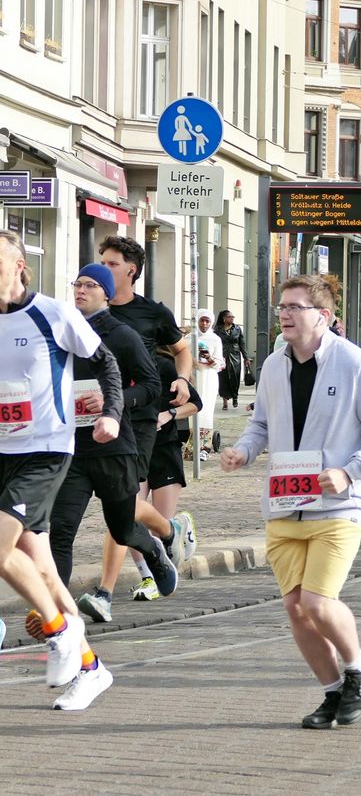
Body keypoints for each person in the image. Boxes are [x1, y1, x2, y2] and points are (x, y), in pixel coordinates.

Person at [221, 274, 361, 729]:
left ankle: (359, 669)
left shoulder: (354, 363)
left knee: (318, 602)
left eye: (294, 307)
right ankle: (332, 690)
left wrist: (350, 471)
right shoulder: (272, 366)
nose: (284, 314)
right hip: (285, 503)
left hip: (337, 505)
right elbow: (261, 425)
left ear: (323, 316)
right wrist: (243, 451)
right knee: (295, 608)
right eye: (281, 307)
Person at [0, 234, 125, 707]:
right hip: (1, 452)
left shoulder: (52, 313)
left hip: (45, 449)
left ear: (19, 266)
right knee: (43, 570)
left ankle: (59, 631)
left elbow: (106, 363)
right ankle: (91, 670)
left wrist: (111, 413)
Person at [49, 265, 177, 617]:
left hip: (114, 448)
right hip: (73, 448)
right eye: (77, 284)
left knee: (122, 531)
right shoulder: (62, 333)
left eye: (90, 285)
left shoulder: (122, 335)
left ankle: (153, 550)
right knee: (61, 531)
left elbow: (151, 386)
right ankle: (57, 615)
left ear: (106, 294)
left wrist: (112, 400)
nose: (81, 290)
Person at [97, 235, 193, 602]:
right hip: (95, 416)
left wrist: (182, 379)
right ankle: (168, 531)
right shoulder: (88, 311)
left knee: (121, 499)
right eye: (101, 263)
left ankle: (105, 591)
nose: (104, 269)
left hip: (138, 417)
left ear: (131, 271)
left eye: (111, 264)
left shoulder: (153, 312)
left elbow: (182, 350)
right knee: (117, 503)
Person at [191, 309, 225, 460]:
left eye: (207, 321)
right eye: (202, 320)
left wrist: (208, 357)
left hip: (209, 378)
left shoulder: (215, 339)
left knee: (206, 411)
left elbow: (219, 364)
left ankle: (204, 447)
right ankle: (192, 446)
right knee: (192, 411)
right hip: (193, 377)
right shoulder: (189, 338)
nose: (204, 324)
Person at [215, 309, 250, 410]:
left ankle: (235, 397)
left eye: (233, 317)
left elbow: (242, 343)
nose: (232, 318)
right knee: (223, 378)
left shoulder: (237, 329)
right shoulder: (217, 329)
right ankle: (225, 402)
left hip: (235, 356)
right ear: (224, 318)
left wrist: (246, 357)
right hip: (223, 356)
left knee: (235, 377)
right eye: (230, 317)